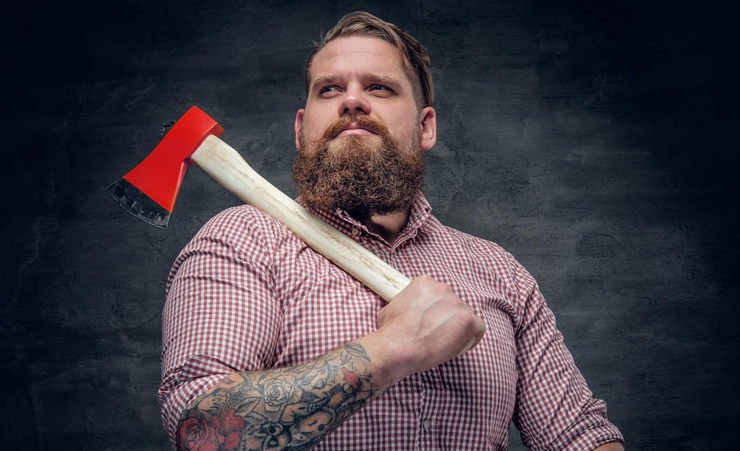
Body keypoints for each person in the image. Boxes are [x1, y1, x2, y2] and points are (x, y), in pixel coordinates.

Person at [158, 11, 625, 451]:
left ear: (426, 126)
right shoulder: (242, 240)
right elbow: (200, 432)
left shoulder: (498, 271)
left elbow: (579, 435)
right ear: (301, 130)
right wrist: (395, 348)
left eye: (379, 87)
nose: (352, 100)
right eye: (328, 89)